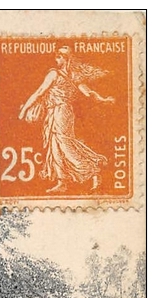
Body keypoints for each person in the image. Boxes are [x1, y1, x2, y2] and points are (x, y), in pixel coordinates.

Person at [18, 46, 115, 193]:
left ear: (66, 58)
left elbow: (39, 92)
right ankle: (62, 182)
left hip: (60, 111)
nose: (56, 59)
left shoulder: (54, 74)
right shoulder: (74, 77)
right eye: (56, 56)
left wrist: (24, 109)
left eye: (59, 57)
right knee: (55, 145)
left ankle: (93, 171)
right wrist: (102, 99)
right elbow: (88, 92)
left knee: (64, 144)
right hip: (59, 112)